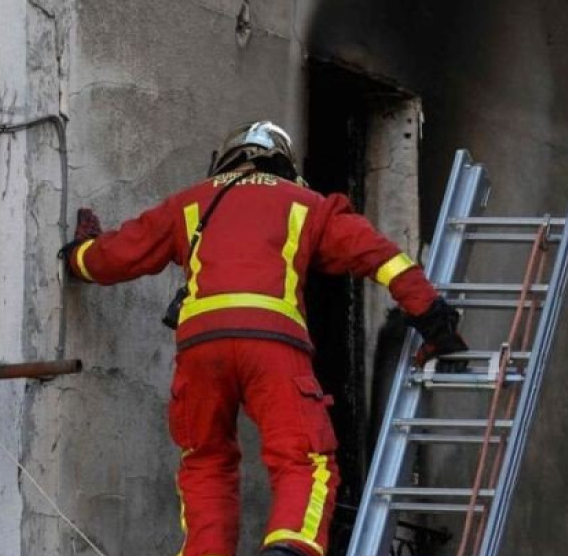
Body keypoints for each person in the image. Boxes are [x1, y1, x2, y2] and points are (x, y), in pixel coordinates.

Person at [61, 121, 468, 556]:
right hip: (272, 346)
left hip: (200, 351)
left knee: (206, 462)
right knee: (304, 459)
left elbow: (115, 256)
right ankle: (289, 548)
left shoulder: (189, 204)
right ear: (285, 164)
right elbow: (384, 259)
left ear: (225, 159)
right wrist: (434, 321)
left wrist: (79, 254)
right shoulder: (307, 205)